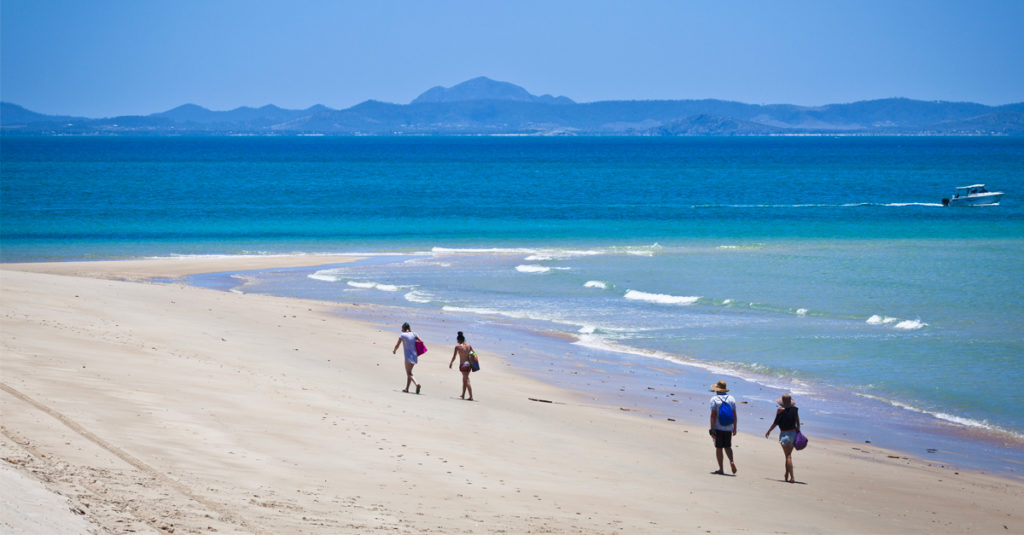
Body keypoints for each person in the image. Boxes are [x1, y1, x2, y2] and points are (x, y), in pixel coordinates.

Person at [765, 393, 801, 483]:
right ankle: (787, 473)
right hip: (793, 434)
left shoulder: (780, 411)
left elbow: (775, 423)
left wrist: (769, 431)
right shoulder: (795, 410)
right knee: (788, 455)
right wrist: (798, 431)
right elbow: (798, 422)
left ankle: (792, 477)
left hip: (784, 434)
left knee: (788, 456)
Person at [709, 380, 738, 475]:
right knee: (728, 446)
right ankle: (731, 461)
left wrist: (712, 429)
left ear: (717, 389)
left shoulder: (714, 399)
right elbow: (734, 415)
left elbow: (713, 415)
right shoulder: (731, 399)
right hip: (729, 427)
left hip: (718, 427)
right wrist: (735, 428)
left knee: (719, 448)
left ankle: (721, 469)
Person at [392, 322, 422, 394]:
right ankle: (407, 388)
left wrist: (394, 350)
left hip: (408, 356)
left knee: (408, 373)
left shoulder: (403, 335)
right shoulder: (414, 334)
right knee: (409, 372)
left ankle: (417, 384)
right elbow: (421, 341)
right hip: (415, 355)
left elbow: (397, 344)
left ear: (404, 328)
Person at [448, 331, 475, 401]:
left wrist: (451, 363)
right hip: (469, 365)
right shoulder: (469, 346)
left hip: (463, 365)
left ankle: (471, 396)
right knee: (464, 379)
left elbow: (454, 357)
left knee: (467, 379)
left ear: (458, 340)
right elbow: (474, 354)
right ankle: (463, 394)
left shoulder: (457, 347)